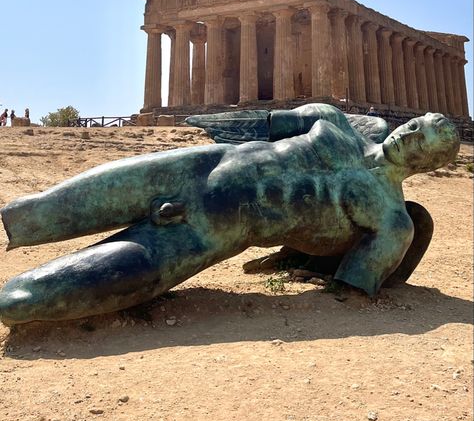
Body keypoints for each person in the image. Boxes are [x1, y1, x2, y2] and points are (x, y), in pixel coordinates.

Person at [0, 106, 459, 325]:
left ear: (431, 165)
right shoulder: (335, 122)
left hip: (214, 230)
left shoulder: (392, 220)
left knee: (20, 301)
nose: (410, 136)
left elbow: (351, 285)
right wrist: (196, 119)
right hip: (200, 164)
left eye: (424, 142)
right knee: (36, 211)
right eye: (415, 126)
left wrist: (301, 263)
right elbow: (262, 123)